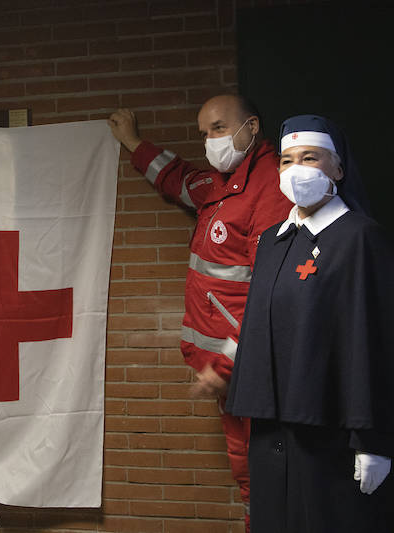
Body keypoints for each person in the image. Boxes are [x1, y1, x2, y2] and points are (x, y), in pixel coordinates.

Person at [109, 95, 292, 529]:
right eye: (204, 133)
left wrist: (227, 363)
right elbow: (182, 180)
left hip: (255, 371)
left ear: (251, 126)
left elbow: (272, 292)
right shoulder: (224, 183)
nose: (210, 140)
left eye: (218, 128)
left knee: (268, 473)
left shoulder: (271, 188)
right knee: (249, 474)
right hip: (231, 375)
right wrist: (136, 144)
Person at [226, 115, 394, 532]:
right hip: (271, 432)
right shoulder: (271, 242)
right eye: (286, 160)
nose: (296, 169)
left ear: (337, 168)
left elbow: (374, 342)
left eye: (310, 157)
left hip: (332, 436)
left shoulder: (359, 238)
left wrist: (374, 441)